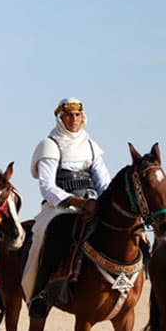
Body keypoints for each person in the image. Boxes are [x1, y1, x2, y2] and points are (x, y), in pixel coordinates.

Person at [24, 97, 112, 317]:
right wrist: (76, 202)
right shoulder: (50, 145)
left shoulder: (91, 146)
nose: (73, 119)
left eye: (77, 115)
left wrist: (105, 203)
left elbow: (103, 183)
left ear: (83, 117)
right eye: (68, 115)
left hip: (92, 204)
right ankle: (40, 291)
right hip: (59, 207)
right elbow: (47, 186)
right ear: (60, 118)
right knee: (49, 233)